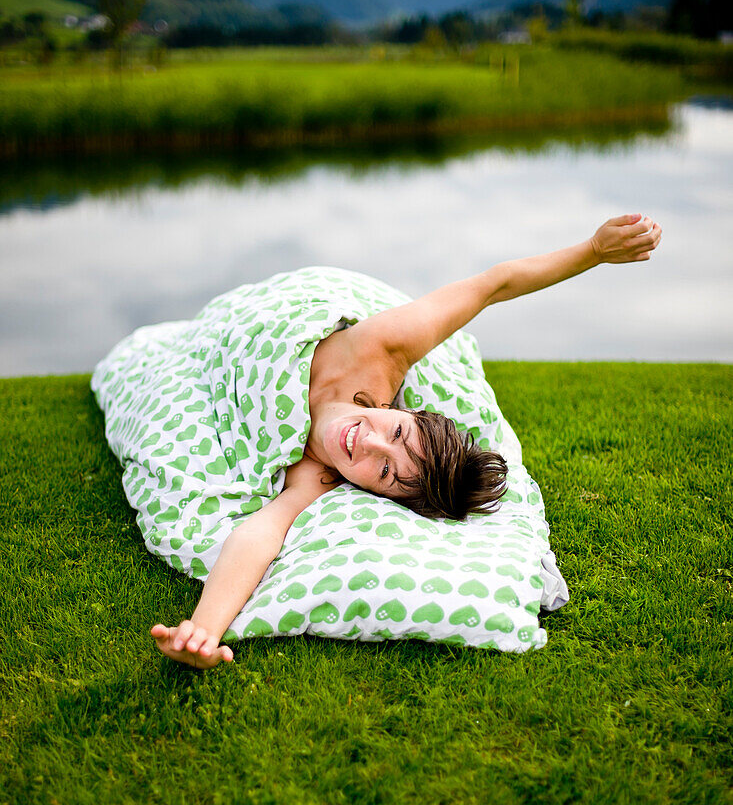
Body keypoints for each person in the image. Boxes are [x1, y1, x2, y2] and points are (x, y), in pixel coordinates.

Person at [151, 213, 661, 669]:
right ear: (396, 410)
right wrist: (594, 251)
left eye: (387, 472)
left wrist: (202, 631)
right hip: (293, 298)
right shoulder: (382, 347)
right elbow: (493, 285)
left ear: (373, 493)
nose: (368, 446)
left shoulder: (317, 471)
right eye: (396, 433)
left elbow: (257, 536)